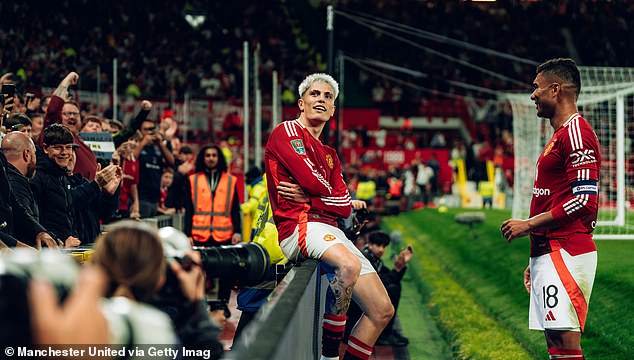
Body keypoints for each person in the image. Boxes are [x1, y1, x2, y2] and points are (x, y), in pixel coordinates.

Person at [264, 73, 393, 360]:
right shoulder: (286, 132)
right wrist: (326, 197)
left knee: (382, 310)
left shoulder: (330, 153)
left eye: (328, 97)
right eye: (315, 94)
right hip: (300, 227)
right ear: (301, 103)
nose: (321, 99)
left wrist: (314, 197)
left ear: (333, 110)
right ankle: (329, 356)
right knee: (348, 266)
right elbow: (317, 184)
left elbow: (345, 204)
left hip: (332, 231)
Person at [501, 58, 601, 360]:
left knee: (566, 346)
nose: (532, 95)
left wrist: (529, 225)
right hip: (551, 251)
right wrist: (537, 253)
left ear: (555, 89)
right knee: (556, 346)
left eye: (537, 87)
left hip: (566, 250)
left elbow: (585, 200)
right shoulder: (560, 135)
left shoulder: (575, 133)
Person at [184, 144, 241, 304]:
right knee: (200, 271)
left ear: (219, 158)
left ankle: (223, 304)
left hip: (224, 234)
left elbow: (235, 209)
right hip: (199, 235)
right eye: (208, 155)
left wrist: (237, 231)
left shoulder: (230, 180)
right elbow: (189, 210)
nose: (211, 158)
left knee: (227, 271)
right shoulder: (193, 180)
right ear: (203, 158)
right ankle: (200, 304)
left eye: (214, 155)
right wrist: (187, 233)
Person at [345, 231, 412, 347]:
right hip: (356, 306)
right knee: (392, 289)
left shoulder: (375, 258)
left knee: (394, 287)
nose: (381, 249)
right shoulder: (366, 257)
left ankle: (386, 331)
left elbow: (391, 278)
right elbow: (381, 281)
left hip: (363, 301)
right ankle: (384, 334)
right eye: (378, 245)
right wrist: (397, 269)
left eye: (384, 246)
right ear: (370, 244)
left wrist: (401, 265)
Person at [0, 132, 57, 249]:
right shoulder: (16, 183)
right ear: (27, 154)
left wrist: (40, 232)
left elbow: (15, 206)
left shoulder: (3, 165)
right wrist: (16, 246)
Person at [40, 72, 98, 181]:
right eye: (67, 114)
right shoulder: (54, 135)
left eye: (75, 114)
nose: (72, 117)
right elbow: (53, 109)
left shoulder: (82, 144)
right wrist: (67, 81)